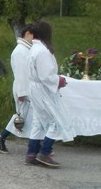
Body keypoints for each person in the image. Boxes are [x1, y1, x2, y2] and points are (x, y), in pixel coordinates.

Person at [25, 20, 75, 167]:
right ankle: (45, 152)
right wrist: (58, 80)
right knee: (56, 120)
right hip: (43, 89)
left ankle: (31, 153)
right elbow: (46, 76)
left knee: (38, 121)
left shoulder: (34, 49)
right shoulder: (42, 51)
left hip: (35, 87)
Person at [0, 23, 35, 153]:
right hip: (24, 89)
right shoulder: (20, 51)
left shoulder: (26, 50)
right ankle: (1, 137)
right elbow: (21, 74)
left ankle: (37, 144)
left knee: (30, 117)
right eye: (35, 36)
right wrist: (22, 93)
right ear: (27, 34)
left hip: (28, 88)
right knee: (22, 116)